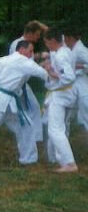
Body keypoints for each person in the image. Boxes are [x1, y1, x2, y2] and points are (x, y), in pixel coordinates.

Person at [41, 29, 79, 172]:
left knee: (55, 130)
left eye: (46, 42)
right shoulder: (66, 51)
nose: (46, 45)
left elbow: (69, 77)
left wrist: (52, 73)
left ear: (52, 41)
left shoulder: (60, 56)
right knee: (60, 128)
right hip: (67, 94)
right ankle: (58, 158)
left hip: (60, 95)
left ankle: (69, 163)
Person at [63, 29, 88, 130]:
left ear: (69, 38)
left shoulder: (81, 49)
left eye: (65, 38)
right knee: (67, 110)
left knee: (85, 107)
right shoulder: (71, 47)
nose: (64, 41)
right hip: (71, 82)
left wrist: (79, 66)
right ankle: (63, 134)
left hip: (81, 81)